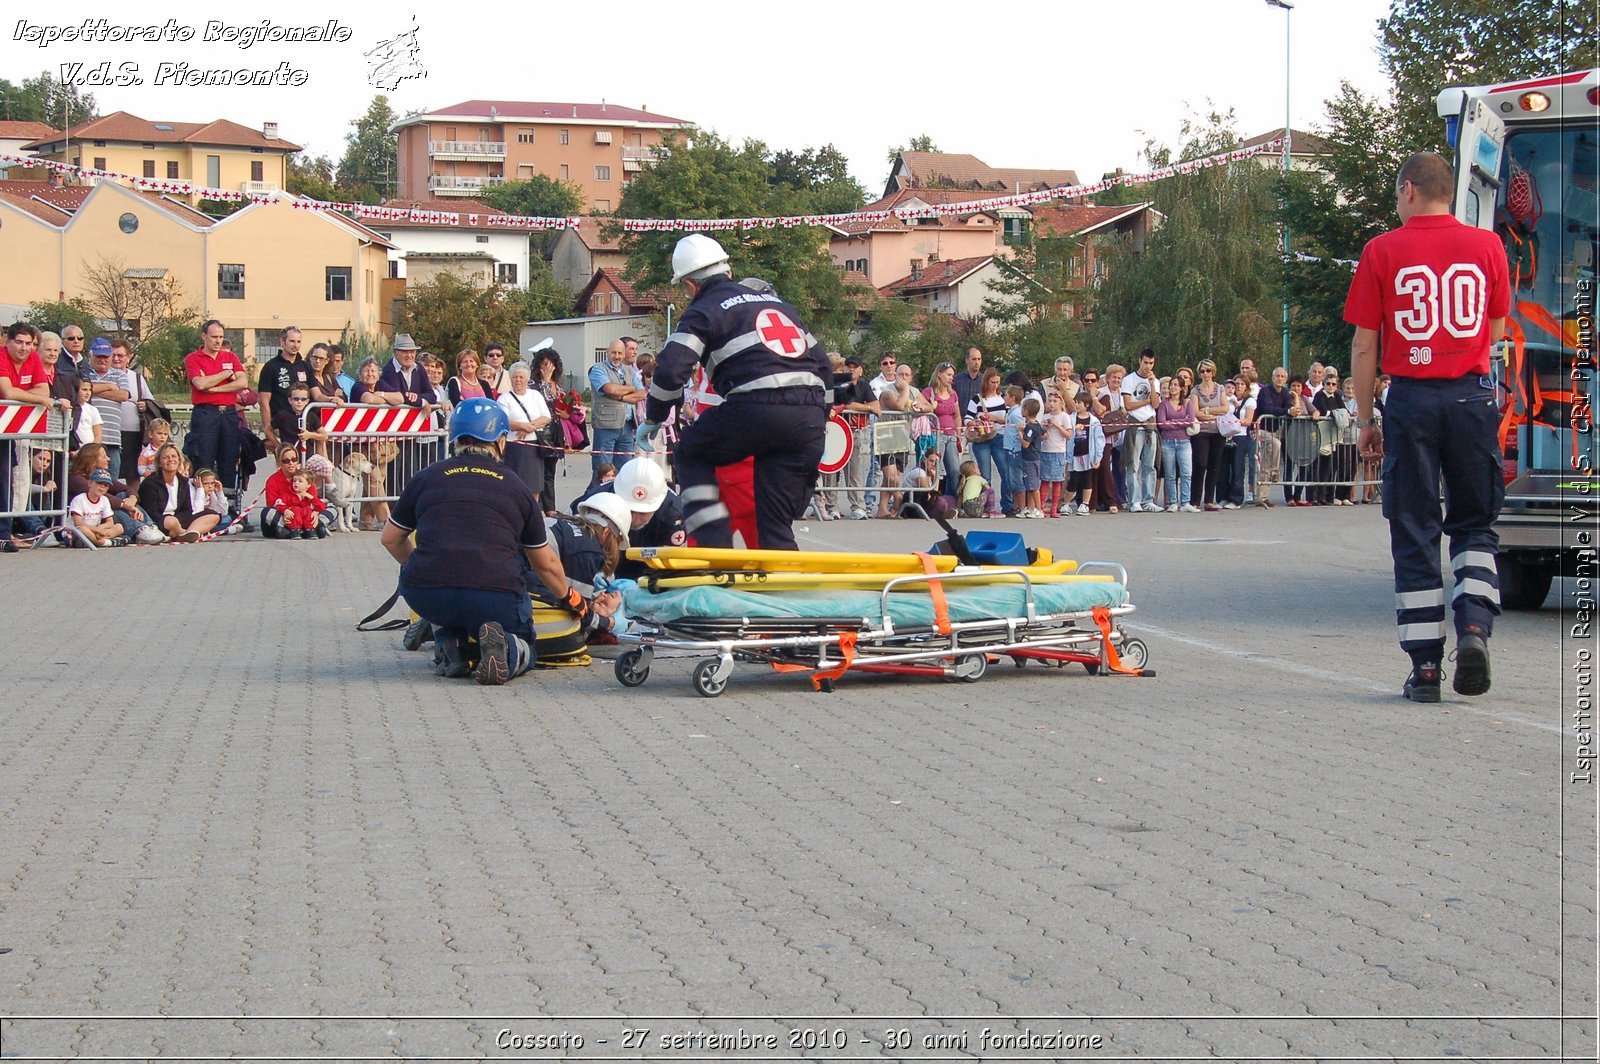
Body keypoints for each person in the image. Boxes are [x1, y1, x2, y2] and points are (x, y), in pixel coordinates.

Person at [1346, 150, 1509, 701]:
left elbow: (1365, 344)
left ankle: (1426, 669)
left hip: (1411, 398)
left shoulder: (1381, 251)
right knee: (1475, 524)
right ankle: (1474, 629)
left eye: (1396, 194)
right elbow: (1497, 326)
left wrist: (1367, 418)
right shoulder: (1488, 246)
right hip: (1470, 397)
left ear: (1409, 190)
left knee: (1414, 527)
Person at [381, 397, 607, 685]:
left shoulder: (426, 478)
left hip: (427, 593)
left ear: (454, 438)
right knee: (527, 642)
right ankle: (510, 650)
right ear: (501, 441)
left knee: (441, 600)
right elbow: (546, 564)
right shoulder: (516, 486)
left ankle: (451, 646)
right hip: (494, 596)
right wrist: (572, 599)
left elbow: (390, 538)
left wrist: (418, 566)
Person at [638, 235, 831, 550]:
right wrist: (818, 417)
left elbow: (671, 369)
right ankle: (788, 589)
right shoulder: (778, 305)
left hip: (757, 409)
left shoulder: (704, 309)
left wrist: (654, 418)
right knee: (773, 527)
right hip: (808, 419)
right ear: (728, 270)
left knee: (689, 451)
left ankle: (713, 543)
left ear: (690, 285)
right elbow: (823, 366)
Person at [570, 458, 686, 580]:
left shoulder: (675, 516)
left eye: (642, 513)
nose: (634, 520)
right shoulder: (595, 499)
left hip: (652, 570)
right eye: (630, 510)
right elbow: (574, 543)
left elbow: (673, 567)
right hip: (604, 564)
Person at [184, 320, 249, 497]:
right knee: (203, 458)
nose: (218, 341)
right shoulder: (193, 358)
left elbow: (242, 382)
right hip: (205, 413)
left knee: (228, 459)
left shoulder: (231, 357)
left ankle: (227, 502)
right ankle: (201, 500)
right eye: (214, 337)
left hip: (228, 412)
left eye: (221, 337)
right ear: (204, 336)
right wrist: (226, 375)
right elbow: (199, 383)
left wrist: (214, 388)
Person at [1, 322, 50, 552]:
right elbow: (7, 392)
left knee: (7, 480)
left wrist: (29, 395)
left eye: (29, 344)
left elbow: (45, 391)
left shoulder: (34, 359)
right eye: (18, 342)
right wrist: (36, 398)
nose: (24, 348)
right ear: (7, 342)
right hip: (6, 426)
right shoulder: (1, 356)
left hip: (10, 431)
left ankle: (3, 534)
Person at [136, 443, 219, 542]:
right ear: (159, 462)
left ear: (179, 460)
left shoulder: (183, 481)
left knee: (214, 515)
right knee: (171, 521)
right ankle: (182, 533)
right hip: (160, 521)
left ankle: (190, 533)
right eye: (166, 457)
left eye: (174, 456)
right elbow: (151, 513)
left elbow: (187, 509)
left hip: (177, 518)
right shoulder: (150, 483)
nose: (171, 460)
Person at [495, 362, 551, 507]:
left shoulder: (535, 395)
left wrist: (529, 427)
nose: (518, 380)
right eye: (515, 377)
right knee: (513, 483)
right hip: (513, 447)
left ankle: (533, 510)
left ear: (527, 379)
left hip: (533, 446)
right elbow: (503, 420)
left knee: (534, 484)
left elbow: (546, 416)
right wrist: (521, 425)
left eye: (521, 377)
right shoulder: (504, 398)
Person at [589, 338, 645, 482]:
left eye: (620, 353)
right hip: (606, 427)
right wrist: (630, 389)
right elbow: (609, 388)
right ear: (607, 353)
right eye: (613, 352)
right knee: (603, 471)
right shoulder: (598, 369)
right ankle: (594, 501)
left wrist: (620, 397)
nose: (617, 356)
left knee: (625, 471)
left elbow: (641, 393)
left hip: (627, 426)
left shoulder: (629, 371)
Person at [835, 355, 879, 520]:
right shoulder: (838, 383)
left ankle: (858, 507)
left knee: (854, 472)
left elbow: (877, 406)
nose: (851, 369)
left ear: (861, 370)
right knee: (833, 471)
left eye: (855, 366)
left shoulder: (864, 386)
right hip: (836, 431)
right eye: (849, 366)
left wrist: (867, 408)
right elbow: (846, 403)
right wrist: (866, 408)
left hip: (854, 433)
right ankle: (832, 507)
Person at [257, 326, 315, 452]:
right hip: (280, 426)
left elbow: (316, 393)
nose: (296, 345)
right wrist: (270, 434)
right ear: (282, 342)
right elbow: (264, 402)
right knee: (285, 467)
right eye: (292, 341)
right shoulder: (271, 367)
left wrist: (332, 398)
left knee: (304, 468)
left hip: (303, 426)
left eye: (298, 342)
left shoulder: (305, 366)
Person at [83, 336, 130, 476]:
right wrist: (109, 386)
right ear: (90, 356)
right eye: (99, 356)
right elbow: (80, 391)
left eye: (106, 356)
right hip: (88, 439)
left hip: (112, 438)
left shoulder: (120, 374)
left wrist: (92, 390)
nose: (103, 360)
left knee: (112, 481)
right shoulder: (84, 373)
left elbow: (123, 396)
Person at [1121, 349, 1160, 512]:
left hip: (1150, 424)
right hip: (1136, 424)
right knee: (1133, 464)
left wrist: (1151, 384)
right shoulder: (1129, 380)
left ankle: (1148, 499)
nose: (1148, 366)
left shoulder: (1155, 381)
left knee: (1150, 465)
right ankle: (1134, 500)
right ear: (1140, 361)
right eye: (1145, 362)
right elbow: (1128, 405)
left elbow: (1156, 404)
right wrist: (1147, 401)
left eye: (1151, 363)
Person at [1187, 359, 1228, 511]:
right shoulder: (1195, 391)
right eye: (1203, 371)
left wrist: (1207, 411)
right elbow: (1195, 412)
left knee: (1214, 465)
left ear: (1213, 372)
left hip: (1218, 431)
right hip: (1201, 432)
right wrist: (1210, 413)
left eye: (1208, 371)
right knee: (1200, 464)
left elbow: (1225, 408)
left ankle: (1209, 500)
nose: (1205, 374)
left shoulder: (1220, 388)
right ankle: (1195, 500)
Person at [1155, 377, 1198, 512]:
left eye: (1175, 385)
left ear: (1181, 388)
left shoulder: (1187, 403)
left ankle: (1185, 502)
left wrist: (1172, 422)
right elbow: (1162, 423)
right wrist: (1180, 423)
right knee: (1170, 473)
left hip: (1184, 442)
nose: (1172, 388)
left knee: (1186, 473)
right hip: (1168, 441)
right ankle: (1172, 502)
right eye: (1170, 385)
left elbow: (1191, 421)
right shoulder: (1164, 404)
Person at [1064, 391, 1106, 515]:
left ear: (1087, 405)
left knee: (1087, 480)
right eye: (1076, 402)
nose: (1076, 405)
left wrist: (1098, 457)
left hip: (1088, 455)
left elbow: (1099, 439)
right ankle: (1066, 504)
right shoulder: (1071, 418)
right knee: (1073, 480)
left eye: (1079, 403)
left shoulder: (1094, 421)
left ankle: (1085, 504)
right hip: (1074, 455)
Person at [70, 470, 126, 547]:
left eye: (106, 485)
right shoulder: (79, 499)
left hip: (96, 531)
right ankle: (106, 543)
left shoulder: (104, 500)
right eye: (99, 483)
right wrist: (96, 530)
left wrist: (101, 528)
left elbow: (110, 522)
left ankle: (96, 540)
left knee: (119, 527)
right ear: (90, 483)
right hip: (76, 532)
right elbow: (78, 523)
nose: (102, 487)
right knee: (83, 530)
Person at [1039, 390, 1070, 517]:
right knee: (1044, 480)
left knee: (1057, 481)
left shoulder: (1064, 417)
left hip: (1058, 451)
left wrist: (1057, 425)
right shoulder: (1044, 417)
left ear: (1060, 403)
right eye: (1050, 401)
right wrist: (1045, 428)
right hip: (1045, 451)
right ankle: (1041, 506)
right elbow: (1042, 436)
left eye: (1055, 401)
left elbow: (1068, 435)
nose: (1052, 404)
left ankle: (1054, 508)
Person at [1016, 396, 1044, 518]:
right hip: (1032, 457)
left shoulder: (1030, 427)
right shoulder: (1037, 424)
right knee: (1028, 484)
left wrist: (1020, 432)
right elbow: (1045, 435)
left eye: (1023, 409)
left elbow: (1026, 444)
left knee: (1033, 486)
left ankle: (1039, 509)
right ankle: (1030, 508)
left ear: (1027, 411)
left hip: (1031, 458)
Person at [952, 347, 985, 417]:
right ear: (967, 360)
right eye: (974, 359)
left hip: (979, 422)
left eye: (979, 359)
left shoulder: (985, 380)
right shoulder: (956, 380)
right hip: (960, 421)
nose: (977, 362)